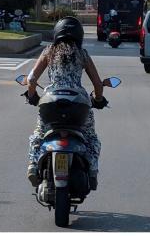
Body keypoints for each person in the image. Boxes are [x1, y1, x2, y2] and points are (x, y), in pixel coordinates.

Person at [25, 16, 108, 191]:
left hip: (50, 102)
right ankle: (92, 171)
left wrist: (32, 96)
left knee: (39, 134)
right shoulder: (82, 54)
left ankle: (33, 164)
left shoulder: (49, 51)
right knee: (91, 138)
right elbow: (97, 84)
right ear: (80, 36)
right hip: (78, 103)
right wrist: (99, 99)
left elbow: (31, 78)